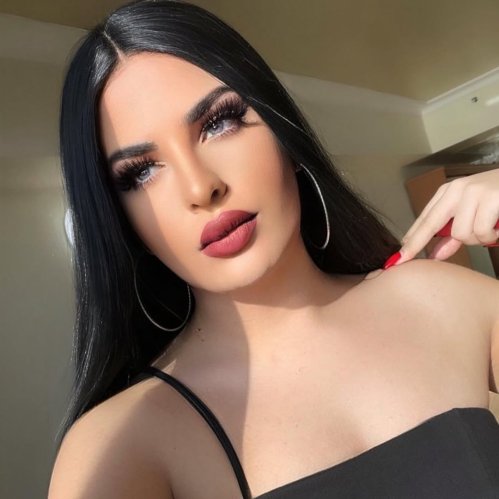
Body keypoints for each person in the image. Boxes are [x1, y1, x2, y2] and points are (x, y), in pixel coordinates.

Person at [48, 1, 499, 497]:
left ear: (286, 135)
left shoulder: (439, 301)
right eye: (141, 172)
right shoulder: (123, 443)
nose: (201, 187)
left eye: (219, 122)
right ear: (121, 222)